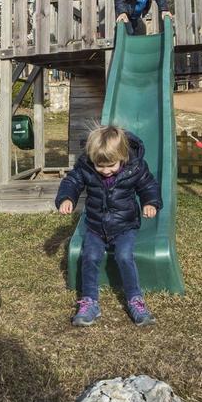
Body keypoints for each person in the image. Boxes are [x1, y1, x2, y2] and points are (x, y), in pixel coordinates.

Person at [55, 125, 163, 327]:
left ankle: (135, 300)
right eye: (100, 166)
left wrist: (150, 202)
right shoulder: (86, 165)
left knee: (124, 256)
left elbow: (149, 186)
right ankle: (89, 302)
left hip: (125, 225)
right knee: (90, 256)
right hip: (96, 225)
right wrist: (67, 198)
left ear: (122, 156)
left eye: (111, 166)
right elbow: (72, 181)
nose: (105, 171)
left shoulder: (135, 167)